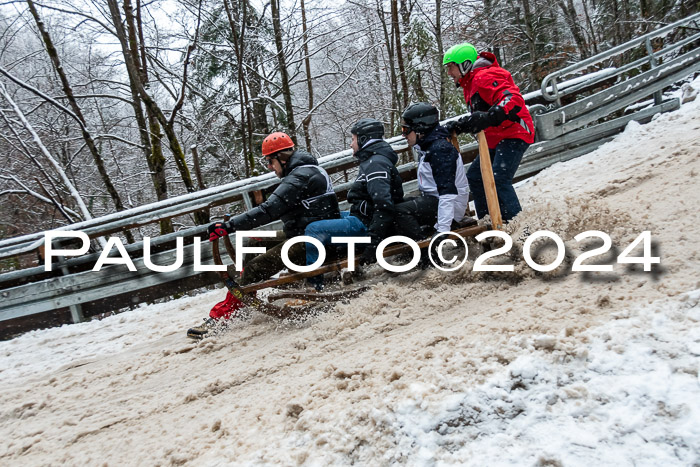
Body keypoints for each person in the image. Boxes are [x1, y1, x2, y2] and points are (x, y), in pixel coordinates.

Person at [188, 132, 340, 338]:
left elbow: (269, 210)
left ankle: (223, 317)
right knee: (252, 244)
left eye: (270, 161)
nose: (269, 167)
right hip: (306, 233)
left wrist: (229, 226)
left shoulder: (300, 176)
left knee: (254, 268)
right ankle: (243, 298)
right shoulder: (304, 172)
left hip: (313, 241)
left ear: (282, 158)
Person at [443, 42, 534, 222]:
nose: (449, 73)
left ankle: (517, 226)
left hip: (514, 133)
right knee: (476, 177)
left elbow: (512, 99)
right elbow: (480, 113)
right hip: (496, 138)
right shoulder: (469, 84)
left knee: (499, 179)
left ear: (464, 64)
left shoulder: (484, 76)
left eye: (451, 67)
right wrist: (460, 125)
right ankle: (489, 221)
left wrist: (490, 117)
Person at [395, 102, 475, 241]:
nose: (403, 135)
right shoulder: (427, 147)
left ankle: (426, 252)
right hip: (436, 201)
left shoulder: (440, 150)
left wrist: (442, 229)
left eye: (406, 130)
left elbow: (448, 192)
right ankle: (412, 249)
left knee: (400, 211)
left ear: (420, 128)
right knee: (395, 205)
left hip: (450, 207)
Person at [345, 118, 404, 265]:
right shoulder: (372, 161)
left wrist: (373, 244)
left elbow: (383, 206)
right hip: (364, 218)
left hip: (367, 223)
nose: (351, 144)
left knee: (315, 229)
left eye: (353, 139)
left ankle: (314, 279)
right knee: (327, 219)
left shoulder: (375, 164)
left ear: (363, 139)